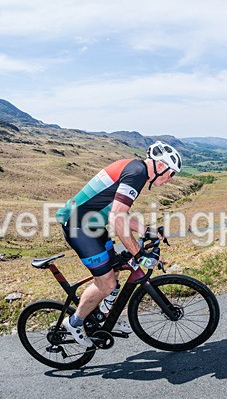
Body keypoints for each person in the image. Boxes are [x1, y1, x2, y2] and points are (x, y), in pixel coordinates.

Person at [56, 141, 182, 347]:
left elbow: (119, 212)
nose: (170, 179)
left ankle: (102, 314)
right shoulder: (137, 173)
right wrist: (138, 253)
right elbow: (117, 217)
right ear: (160, 166)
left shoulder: (137, 170)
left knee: (114, 270)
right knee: (106, 283)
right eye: (172, 173)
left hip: (93, 225)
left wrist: (147, 231)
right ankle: (74, 322)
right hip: (78, 227)